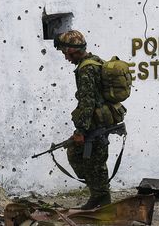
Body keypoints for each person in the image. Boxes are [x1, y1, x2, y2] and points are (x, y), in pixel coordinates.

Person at [53, 30, 111, 210]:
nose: (65, 57)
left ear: (73, 50)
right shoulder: (96, 61)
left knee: (89, 159)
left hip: (95, 124)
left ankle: (102, 199)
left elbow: (87, 102)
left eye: (65, 53)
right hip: (99, 121)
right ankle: (99, 196)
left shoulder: (86, 68)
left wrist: (80, 131)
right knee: (93, 160)